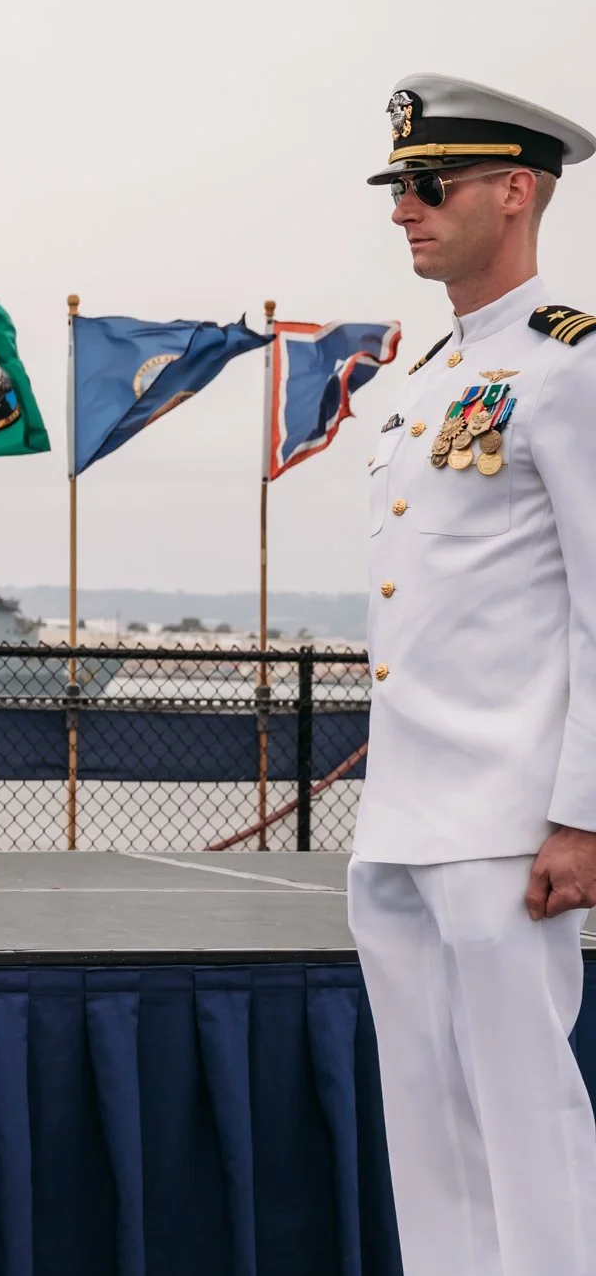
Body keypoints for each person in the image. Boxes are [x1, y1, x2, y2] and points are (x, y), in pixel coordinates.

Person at [353, 73, 596, 1274]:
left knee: (525, 1121)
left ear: (515, 190)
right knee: (430, 1129)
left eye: (432, 183)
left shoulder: (573, 368)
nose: (406, 205)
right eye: (399, 185)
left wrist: (583, 816)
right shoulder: (427, 382)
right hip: (404, 814)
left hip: (509, 823)